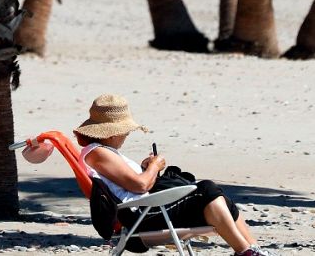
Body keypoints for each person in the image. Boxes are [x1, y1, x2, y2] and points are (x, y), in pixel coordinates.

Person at [28, 94, 271, 256]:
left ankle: (253, 249)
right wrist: (154, 167)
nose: (126, 136)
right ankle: (246, 253)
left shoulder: (102, 152)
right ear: (111, 133)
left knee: (220, 199)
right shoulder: (97, 153)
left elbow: (131, 184)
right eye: (124, 132)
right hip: (141, 216)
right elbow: (140, 185)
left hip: (147, 208)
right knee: (207, 189)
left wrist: (148, 169)